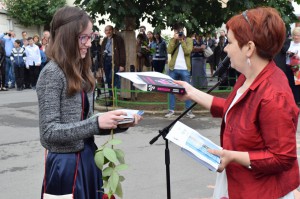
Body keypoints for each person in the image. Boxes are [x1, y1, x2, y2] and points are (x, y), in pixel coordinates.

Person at [175, 7, 299, 198]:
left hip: (261, 191)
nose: (224, 48)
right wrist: (191, 93)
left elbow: (283, 158)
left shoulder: (274, 95)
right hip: (238, 183)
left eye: (230, 42)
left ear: (249, 48)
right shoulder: (248, 76)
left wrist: (233, 156)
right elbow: (234, 109)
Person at [36, 6, 142, 199]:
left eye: (90, 36)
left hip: (87, 159)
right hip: (66, 166)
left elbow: (87, 122)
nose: (88, 43)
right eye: (82, 37)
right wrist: (96, 123)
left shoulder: (81, 70)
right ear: (66, 37)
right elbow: (49, 133)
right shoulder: (51, 74)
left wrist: (118, 123)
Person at [165, 26, 195, 119]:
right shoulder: (172, 40)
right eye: (176, 31)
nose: (179, 33)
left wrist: (182, 40)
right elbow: (169, 50)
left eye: (180, 31)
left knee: (187, 90)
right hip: (173, 68)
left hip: (185, 68)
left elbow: (188, 52)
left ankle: (188, 110)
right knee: (171, 90)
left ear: (184, 31)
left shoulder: (189, 40)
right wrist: (174, 40)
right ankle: (171, 110)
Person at [100, 25, 126, 106]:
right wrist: (101, 64)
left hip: (115, 61)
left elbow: (122, 52)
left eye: (109, 30)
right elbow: (102, 52)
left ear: (112, 30)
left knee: (113, 79)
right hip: (106, 61)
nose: (108, 32)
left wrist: (122, 64)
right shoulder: (104, 40)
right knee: (108, 79)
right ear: (105, 32)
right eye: (106, 30)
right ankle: (111, 97)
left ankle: (114, 98)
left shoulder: (118, 39)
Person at [286, 27, 300, 105]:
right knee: (289, 83)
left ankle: (297, 100)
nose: (296, 37)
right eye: (294, 35)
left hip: (297, 66)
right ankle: (291, 99)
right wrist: (288, 52)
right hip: (288, 65)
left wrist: (297, 56)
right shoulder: (290, 43)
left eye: (298, 35)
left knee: (297, 84)